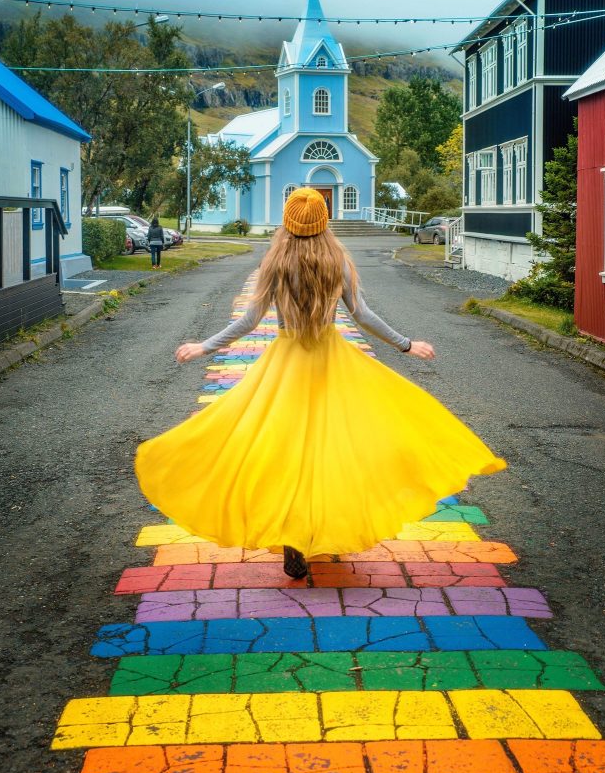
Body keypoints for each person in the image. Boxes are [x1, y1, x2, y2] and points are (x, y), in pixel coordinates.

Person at [135, 187, 506, 579]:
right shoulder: (336, 261)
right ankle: (326, 532)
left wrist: (203, 347)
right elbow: (361, 315)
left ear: (288, 222)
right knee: (334, 452)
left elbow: (249, 321)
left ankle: (294, 536)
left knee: (283, 452)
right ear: (324, 221)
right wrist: (407, 345)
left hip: (286, 365)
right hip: (331, 362)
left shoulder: (274, 262)